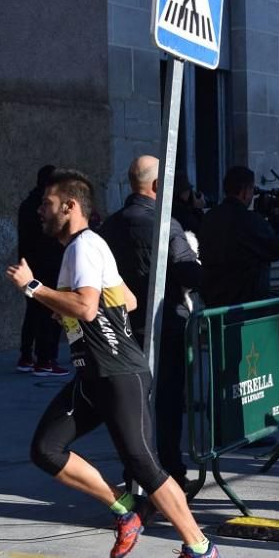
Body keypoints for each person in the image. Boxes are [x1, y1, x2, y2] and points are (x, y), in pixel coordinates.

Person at [4, 169, 220, 558]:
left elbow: (86, 309)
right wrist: (75, 307)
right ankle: (125, 509)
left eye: (46, 203)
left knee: (143, 463)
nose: (39, 210)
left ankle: (200, 548)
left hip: (118, 372)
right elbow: (130, 300)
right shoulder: (83, 251)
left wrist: (33, 287)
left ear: (70, 206)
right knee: (46, 449)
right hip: (92, 375)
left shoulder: (85, 246)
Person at [99, 155, 202, 490]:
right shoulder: (163, 224)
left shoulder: (110, 226)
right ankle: (171, 472)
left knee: (133, 409)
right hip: (164, 327)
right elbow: (189, 272)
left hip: (123, 328)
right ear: (158, 186)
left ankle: (136, 474)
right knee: (169, 404)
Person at [198, 166, 279, 308]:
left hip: (214, 304)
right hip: (245, 308)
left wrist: (260, 217)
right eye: (252, 190)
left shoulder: (209, 217)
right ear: (244, 192)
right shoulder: (248, 221)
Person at [15, 164, 68, 376]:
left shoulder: (28, 203)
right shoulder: (47, 206)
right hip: (48, 266)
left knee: (33, 311)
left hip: (29, 266)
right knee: (51, 311)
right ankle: (46, 360)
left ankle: (27, 356)